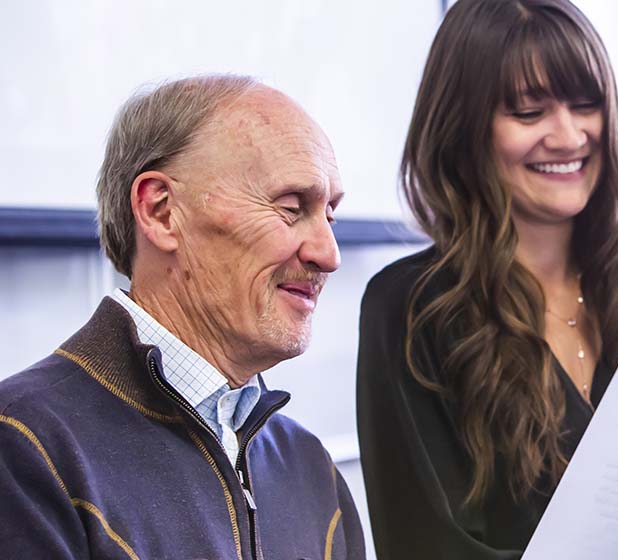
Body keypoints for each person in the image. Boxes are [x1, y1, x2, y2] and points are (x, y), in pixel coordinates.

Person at [356, 0, 618, 557]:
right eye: (529, 113)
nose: (568, 135)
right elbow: (424, 545)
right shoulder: (411, 309)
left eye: (585, 105)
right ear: (464, 129)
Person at [0, 75, 365, 558]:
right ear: (161, 212)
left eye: (330, 216)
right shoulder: (25, 449)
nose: (329, 253)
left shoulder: (312, 469)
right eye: (292, 208)